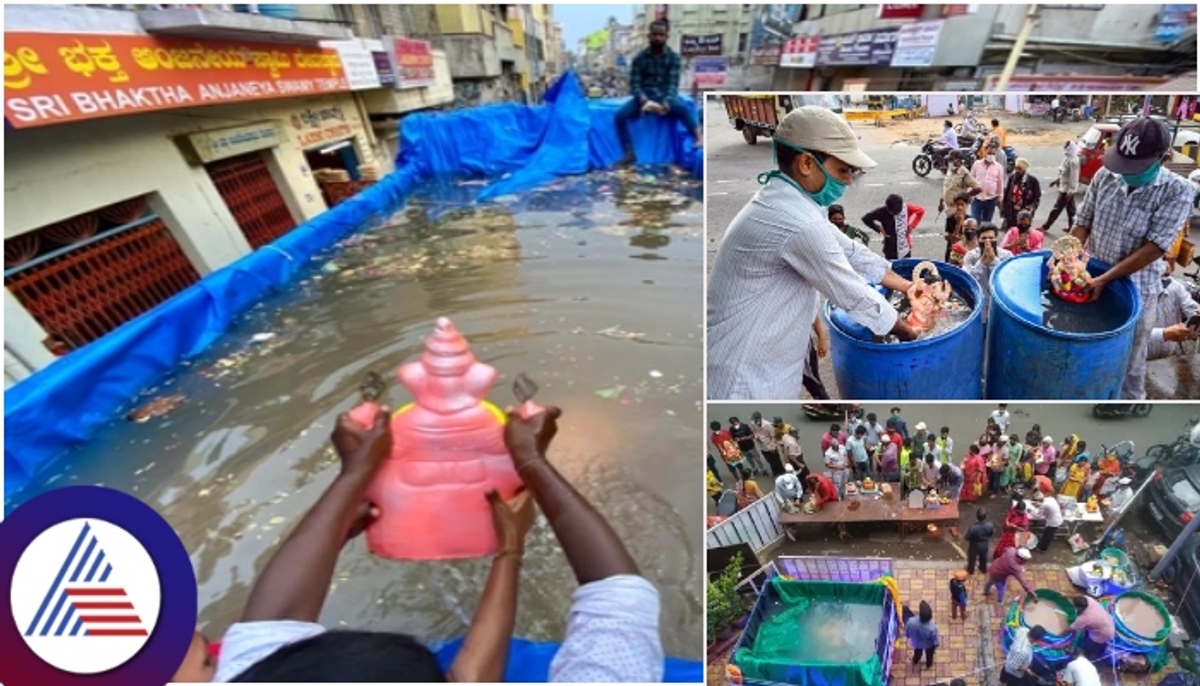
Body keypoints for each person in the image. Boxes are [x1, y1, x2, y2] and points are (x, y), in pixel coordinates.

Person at [213, 405, 664, 683]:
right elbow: (619, 598)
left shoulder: (258, 676)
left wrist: (353, 477)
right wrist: (531, 463)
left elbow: (270, 624)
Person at [706, 106, 918, 399]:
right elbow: (853, 292)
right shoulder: (796, 221)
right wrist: (913, 332)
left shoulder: (795, 205)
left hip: (766, 364)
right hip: (743, 376)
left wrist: (909, 286)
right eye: (842, 170)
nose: (847, 180)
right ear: (806, 163)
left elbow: (853, 253)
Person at [1070, 117, 1193, 399]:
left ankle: (1128, 402)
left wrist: (1105, 278)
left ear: (1162, 158)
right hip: (1093, 277)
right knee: (1092, 346)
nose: (1125, 173)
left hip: (1138, 288)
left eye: (1135, 168)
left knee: (1130, 357)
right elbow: (1083, 221)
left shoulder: (1178, 190)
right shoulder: (1105, 176)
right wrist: (1070, 258)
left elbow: (1154, 248)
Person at [614, 20, 701, 167]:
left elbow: (672, 84)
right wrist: (644, 101)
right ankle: (629, 152)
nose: (657, 38)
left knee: (683, 108)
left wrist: (667, 102)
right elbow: (635, 84)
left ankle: (699, 137)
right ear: (649, 36)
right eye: (654, 35)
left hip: (664, 95)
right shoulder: (639, 59)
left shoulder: (674, 58)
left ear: (667, 36)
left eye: (661, 35)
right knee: (619, 116)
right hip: (645, 96)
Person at [1148, 255, 1200, 360]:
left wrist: (1197, 314)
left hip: (1168, 355)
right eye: (1162, 260)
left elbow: (1189, 305)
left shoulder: (1175, 286)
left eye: (1169, 260)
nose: (1167, 266)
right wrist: (1164, 334)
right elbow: (1130, 335)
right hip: (1142, 358)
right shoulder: (1134, 294)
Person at [966, 223, 1014, 323]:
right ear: (978, 239)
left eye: (991, 238)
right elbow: (968, 280)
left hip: (999, 306)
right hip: (979, 305)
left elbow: (1008, 279)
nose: (988, 241)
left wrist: (993, 260)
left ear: (996, 238)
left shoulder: (1006, 255)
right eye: (984, 238)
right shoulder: (971, 256)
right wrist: (982, 263)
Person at [861, 194, 925, 260]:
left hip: (905, 247)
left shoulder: (906, 208)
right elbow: (866, 218)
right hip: (890, 248)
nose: (895, 214)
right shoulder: (881, 212)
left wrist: (912, 226)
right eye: (893, 213)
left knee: (905, 267)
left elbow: (921, 211)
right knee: (891, 267)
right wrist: (879, 229)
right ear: (887, 208)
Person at [1041, 141, 1081, 232]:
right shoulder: (1067, 158)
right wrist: (1056, 180)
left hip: (1066, 190)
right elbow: (1063, 173)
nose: (1065, 149)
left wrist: (1071, 191)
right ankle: (1072, 228)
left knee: (1056, 209)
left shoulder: (1073, 161)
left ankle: (1045, 226)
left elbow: (1074, 177)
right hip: (1064, 187)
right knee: (1071, 211)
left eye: (1066, 147)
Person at [1068, 595, 1115, 660]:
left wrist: (1059, 634)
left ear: (1080, 608)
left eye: (1075, 606)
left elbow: (1070, 629)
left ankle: (1085, 657)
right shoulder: (1089, 600)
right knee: (1101, 644)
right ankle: (1100, 651)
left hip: (1103, 634)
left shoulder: (1085, 618)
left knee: (1089, 647)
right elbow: (1078, 596)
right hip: (1109, 624)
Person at [1003, 159, 1042, 228]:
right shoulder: (1012, 178)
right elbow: (1007, 194)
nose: (1017, 171)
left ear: (1024, 169)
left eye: (1019, 169)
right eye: (1016, 168)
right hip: (1011, 211)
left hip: (1024, 212)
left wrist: (1032, 206)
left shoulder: (1033, 180)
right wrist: (1004, 209)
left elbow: (1037, 196)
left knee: (1023, 231)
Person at [970, 150, 1005, 223]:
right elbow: (971, 179)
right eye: (989, 153)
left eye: (993, 154)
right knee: (975, 221)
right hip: (977, 198)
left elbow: (1000, 182)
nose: (991, 155)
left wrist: (1000, 196)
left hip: (991, 199)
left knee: (987, 222)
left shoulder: (998, 167)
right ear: (984, 153)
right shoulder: (977, 164)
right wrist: (969, 194)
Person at [904, 601, 940, 672]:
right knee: (929, 656)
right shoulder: (932, 627)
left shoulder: (911, 621)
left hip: (916, 643)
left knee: (917, 652)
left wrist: (908, 636)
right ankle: (928, 664)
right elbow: (935, 639)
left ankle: (915, 661)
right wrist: (936, 645)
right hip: (929, 645)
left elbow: (907, 632)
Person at [750, 412, 785, 477]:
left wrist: (772, 447)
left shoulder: (768, 425)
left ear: (760, 418)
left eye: (756, 419)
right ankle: (775, 472)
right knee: (769, 460)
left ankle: (781, 471)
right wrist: (756, 436)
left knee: (776, 460)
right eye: (754, 420)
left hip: (770, 445)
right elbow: (754, 432)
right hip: (762, 445)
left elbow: (773, 436)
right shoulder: (753, 424)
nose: (755, 421)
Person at [944, 192, 975, 263]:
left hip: (965, 250)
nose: (959, 207)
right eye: (957, 205)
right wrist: (958, 224)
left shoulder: (970, 220)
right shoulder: (950, 219)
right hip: (952, 250)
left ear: (967, 205)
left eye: (962, 205)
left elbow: (972, 237)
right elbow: (953, 239)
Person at [966, 508, 994, 575]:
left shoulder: (973, 528)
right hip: (984, 544)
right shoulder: (990, 525)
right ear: (985, 517)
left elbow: (968, 537)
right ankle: (983, 568)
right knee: (983, 557)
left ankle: (971, 570)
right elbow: (990, 534)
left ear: (977, 516)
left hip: (974, 545)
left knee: (972, 559)